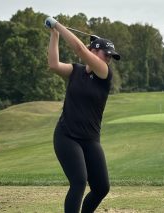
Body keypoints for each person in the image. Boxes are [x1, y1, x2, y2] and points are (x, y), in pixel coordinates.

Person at [45, 17, 120, 213]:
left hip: (90, 139)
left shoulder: (104, 73)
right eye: (107, 54)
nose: (109, 59)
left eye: (111, 57)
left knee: (102, 188)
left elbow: (79, 49)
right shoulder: (75, 71)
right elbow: (53, 65)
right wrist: (55, 34)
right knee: (78, 181)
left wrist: (57, 24)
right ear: (95, 51)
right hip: (66, 136)